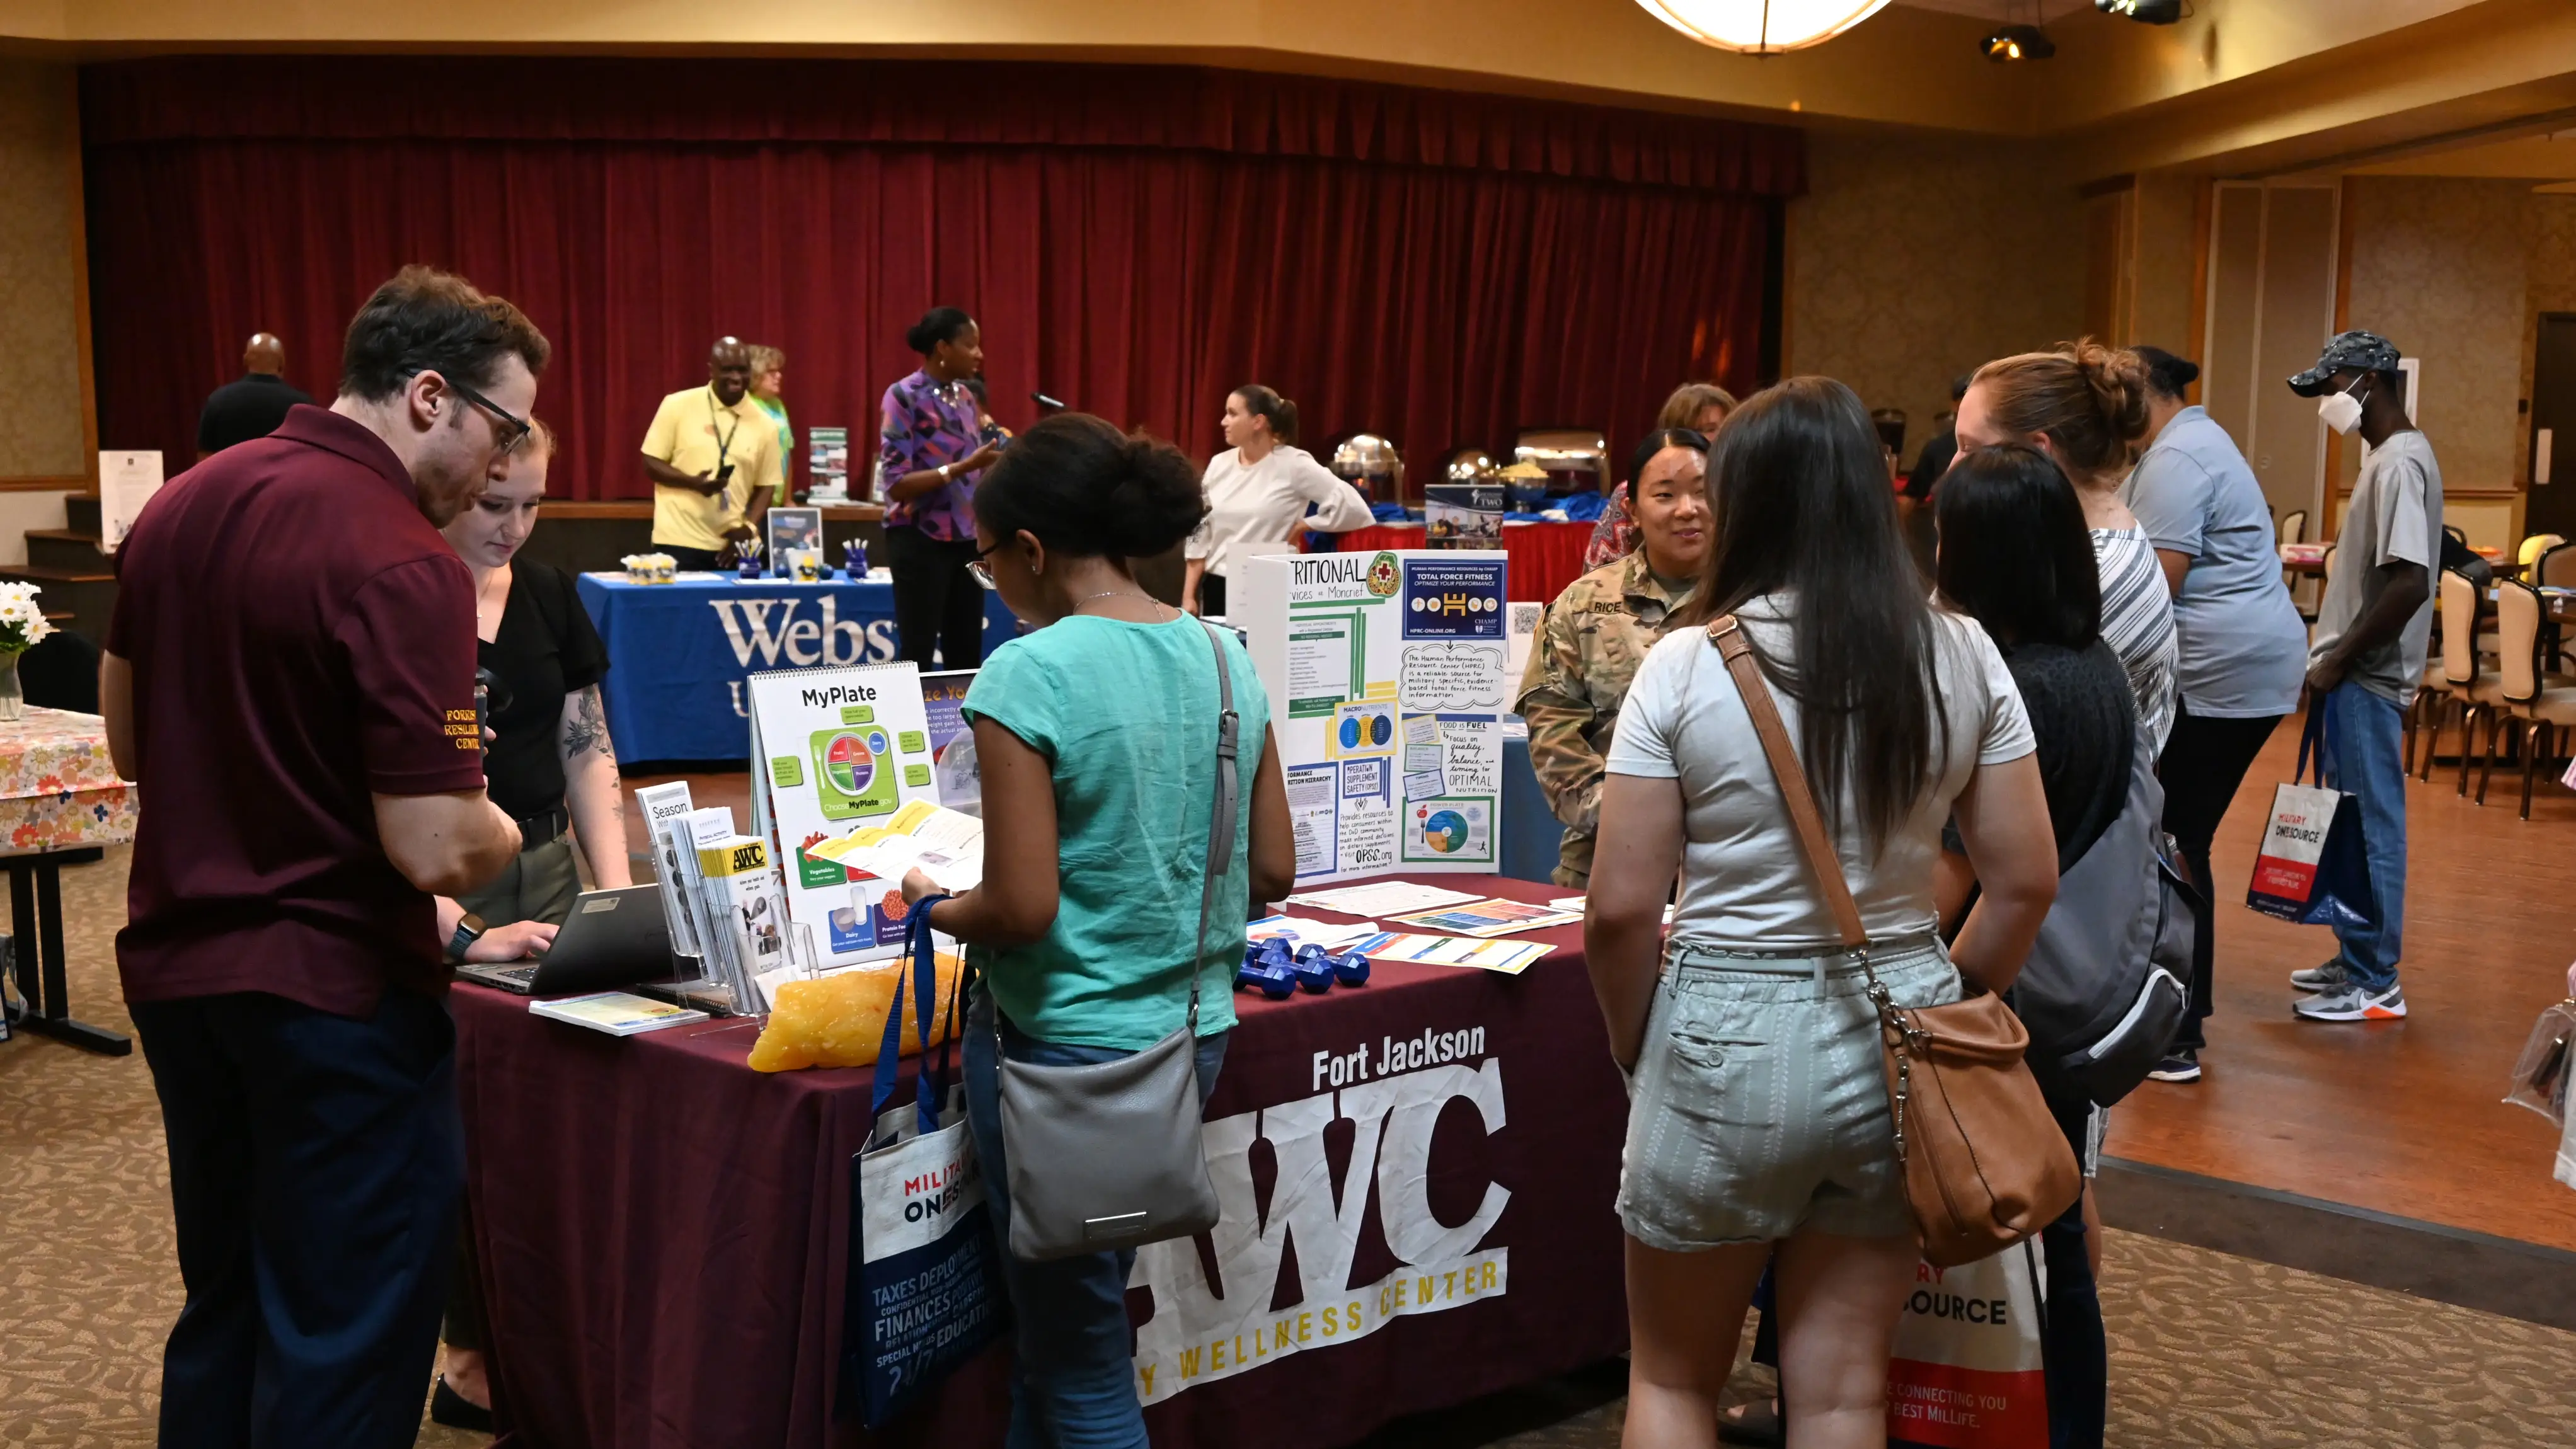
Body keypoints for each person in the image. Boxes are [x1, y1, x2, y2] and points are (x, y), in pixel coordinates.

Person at [102, 265, 543, 1448]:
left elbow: (127, 743)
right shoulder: (402, 557)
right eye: (500, 430)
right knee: (345, 1339)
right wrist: (500, 818)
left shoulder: (180, 509)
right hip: (336, 999)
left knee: (230, 1307)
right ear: (430, 398)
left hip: (183, 981)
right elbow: (441, 846)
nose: (500, 466)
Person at [1587, 377, 2059, 1449]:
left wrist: (1636, 1043)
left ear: (1742, 499)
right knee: (1844, 1392)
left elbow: (1620, 908)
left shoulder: (1682, 666)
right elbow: (2024, 877)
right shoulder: (1961, 651)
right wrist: (1952, 1004)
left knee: (1670, 1385)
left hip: (1718, 1029)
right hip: (1899, 1028)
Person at [895, 411, 1295, 1447]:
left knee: (1078, 1363)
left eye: (985, 562)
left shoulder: (1027, 673)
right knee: (1060, 1332)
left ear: (1027, 550)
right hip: (1190, 1037)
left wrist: (934, 904)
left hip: (1061, 1051)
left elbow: (1023, 909)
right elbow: (1274, 869)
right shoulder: (1222, 658)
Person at [423, 418, 633, 1430]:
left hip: (546, 871)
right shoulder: (401, 592)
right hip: (436, 882)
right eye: (491, 504)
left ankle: (554, 1334)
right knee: (457, 1131)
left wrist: (616, 892)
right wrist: (447, 922)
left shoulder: (551, 594)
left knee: (555, 1117)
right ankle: (468, 1351)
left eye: (533, 506)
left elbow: (587, 748)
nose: (513, 528)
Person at [1933, 442, 2133, 1449]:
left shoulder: (2012, 686)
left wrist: (1940, 1002)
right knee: (2056, 1222)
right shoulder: (2095, 665)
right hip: (2079, 990)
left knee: (2017, 1236)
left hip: (2005, 998)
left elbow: (1951, 878)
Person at [2122, 346, 2309, 1081]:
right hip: (2237, 666)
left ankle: (2176, 1024)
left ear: (2148, 391)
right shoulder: (2188, 441)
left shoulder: (2177, 460)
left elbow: (2151, 588)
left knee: (2175, 835)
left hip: (2219, 673)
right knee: (2175, 832)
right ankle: (2169, 1010)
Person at [2287, 329, 2440, 1022]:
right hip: (2351, 675)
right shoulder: (2385, 458)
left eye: (2331, 386)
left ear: (2366, 382)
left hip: (2367, 679)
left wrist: (2340, 655)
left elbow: (2409, 582)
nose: (2327, 401)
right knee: (2348, 821)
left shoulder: (2400, 462)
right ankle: (2354, 953)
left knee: (2372, 824)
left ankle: (2375, 979)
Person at [1956, 340, 2179, 753]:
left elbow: (1990, 716)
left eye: (1970, 449)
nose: (1954, 469)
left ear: (2038, 453)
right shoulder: (2062, 543)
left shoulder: (2100, 576)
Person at [1517, 426, 1710, 888]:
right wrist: (1649, 825)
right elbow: (1555, 746)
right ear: (1633, 512)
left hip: (1733, 881)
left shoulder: (1761, 602)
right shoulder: (1581, 606)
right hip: (1608, 869)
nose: (1688, 509)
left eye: (1704, 493)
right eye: (1665, 495)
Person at [1183, 384, 1374, 617]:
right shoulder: (1219, 464)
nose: (1224, 421)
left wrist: (1305, 525)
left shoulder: (1294, 464)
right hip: (1216, 587)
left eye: (1232, 413)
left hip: (1268, 583)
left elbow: (1353, 506)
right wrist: (1188, 595)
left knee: (1265, 653)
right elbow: (1201, 531)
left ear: (1258, 422)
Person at [880, 306, 1003, 668]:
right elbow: (897, 485)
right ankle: (915, 725)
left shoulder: (966, 398)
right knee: (917, 651)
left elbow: (975, 472)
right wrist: (961, 468)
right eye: (971, 345)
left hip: (967, 542)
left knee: (966, 653)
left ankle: (961, 726)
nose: (979, 354)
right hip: (919, 539)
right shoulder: (904, 396)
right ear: (943, 348)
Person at [641, 336, 782, 571]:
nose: (736, 378)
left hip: (735, 544)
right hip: (679, 541)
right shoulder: (677, 405)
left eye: (742, 370)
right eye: (727, 370)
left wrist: (749, 529)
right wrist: (693, 483)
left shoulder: (766, 424)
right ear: (712, 371)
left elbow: (767, 486)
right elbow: (650, 462)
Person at [1585, 382, 1737, 570]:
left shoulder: (1747, 488)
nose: (1720, 438)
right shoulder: (1631, 492)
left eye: (1727, 428)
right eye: (1707, 429)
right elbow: (1599, 567)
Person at [195, 331, 314, 459]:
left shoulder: (217, 402)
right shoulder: (303, 406)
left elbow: (204, 461)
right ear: (282, 362)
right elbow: (313, 459)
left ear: (246, 360)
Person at [747, 344, 794, 506]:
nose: (779, 376)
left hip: (776, 501)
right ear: (755, 375)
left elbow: (787, 452)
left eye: (778, 371)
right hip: (751, 501)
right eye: (772, 372)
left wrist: (787, 500)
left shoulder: (777, 405)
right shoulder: (746, 405)